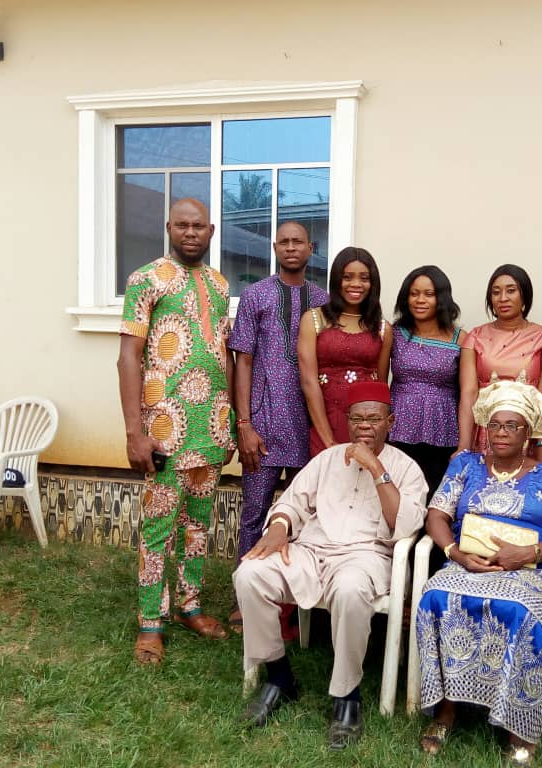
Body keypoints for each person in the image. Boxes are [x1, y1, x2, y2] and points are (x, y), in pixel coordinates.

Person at [234, 381, 428, 750]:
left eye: (373, 419)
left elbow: (404, 525)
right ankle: (279, 677)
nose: (364, 426)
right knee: (250, 574)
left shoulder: (407, 468)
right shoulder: (327, 459)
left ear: (390, 422)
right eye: (357, 419)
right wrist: (279, 527)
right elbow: (292, 502)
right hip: (311, 550)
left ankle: (347, 696)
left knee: (351, 590)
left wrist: (376, 468)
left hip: (365, 557)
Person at [415, 380, 542, 768]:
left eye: (512, 425)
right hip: (467, 564)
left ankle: (519, 727)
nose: (502, 432)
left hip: (529, 570)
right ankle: (446, 710)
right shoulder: (465, 465)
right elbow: (436, 515)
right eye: (495, 425)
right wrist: (455, 553)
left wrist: (528, 553)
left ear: (528, 432)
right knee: (436, 596)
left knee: (520, 611)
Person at [117, 197, 235, 664]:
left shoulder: (220, 284)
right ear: (169, 227)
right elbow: (128, 358)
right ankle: (151, 622)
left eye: (198, 226)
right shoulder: (145, 279)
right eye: (182, 225)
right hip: (164, 428)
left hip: (211, 428)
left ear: (211, 232)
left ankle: (190, 606)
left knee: (198, 527)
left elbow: (223, 353)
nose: (190, 232)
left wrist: (228, 423)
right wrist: (135, 432)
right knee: (158, 530)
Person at [227, 221, 329, 632]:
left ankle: (296, 604)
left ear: (310, 248)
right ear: (274, 247)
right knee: (255, 513)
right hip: (264, 423)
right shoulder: (256, 295)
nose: (290, 248)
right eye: (283, 242)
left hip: (306, 425)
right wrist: (244, 423)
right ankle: (246, 599)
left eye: (297, 242)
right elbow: (243, 360)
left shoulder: (322, 301)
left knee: (305, 515)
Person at [297, 247, 393, 457]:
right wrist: (328, 440)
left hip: (365, 427)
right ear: (336, 280)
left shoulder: (383, 328)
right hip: (324, 420)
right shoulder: (314, 319)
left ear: (373, 283)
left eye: (364, 278)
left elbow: (380, 385)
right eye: (347, 277)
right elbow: (308, 382)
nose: (356, 284)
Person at [457, 265, 542, 454]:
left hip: (528, 433)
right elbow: (468, 393)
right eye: (496, 292)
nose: (503, 298)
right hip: (487, 432)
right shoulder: (475, 337)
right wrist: (464, 446)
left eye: (511, 291)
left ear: (524, 295)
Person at [389, 265, 462, 496]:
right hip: (399, 427)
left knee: (434, 496)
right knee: (398, 494)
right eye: (414, 293)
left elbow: (467, 392)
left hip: (443, 428)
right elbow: (380, 380)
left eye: (429, 294)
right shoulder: (394, 333)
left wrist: (464, 444)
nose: (420, 300)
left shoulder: (461, 339)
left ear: (442, 298)